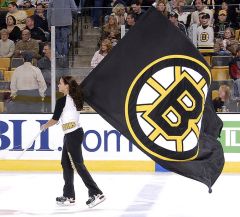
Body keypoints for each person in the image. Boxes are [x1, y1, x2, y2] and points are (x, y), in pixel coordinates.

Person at [40, 76, 105, 208]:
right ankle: (69, 196)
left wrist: (44, 126)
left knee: (78, 165)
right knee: (66, 163)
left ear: (67, 86)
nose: (58, 86)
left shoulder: (62, 101)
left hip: (73, 135)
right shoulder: (76, 98)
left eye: (60, 83)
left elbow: (54, 120)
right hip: (72, 134)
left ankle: (96, 193)